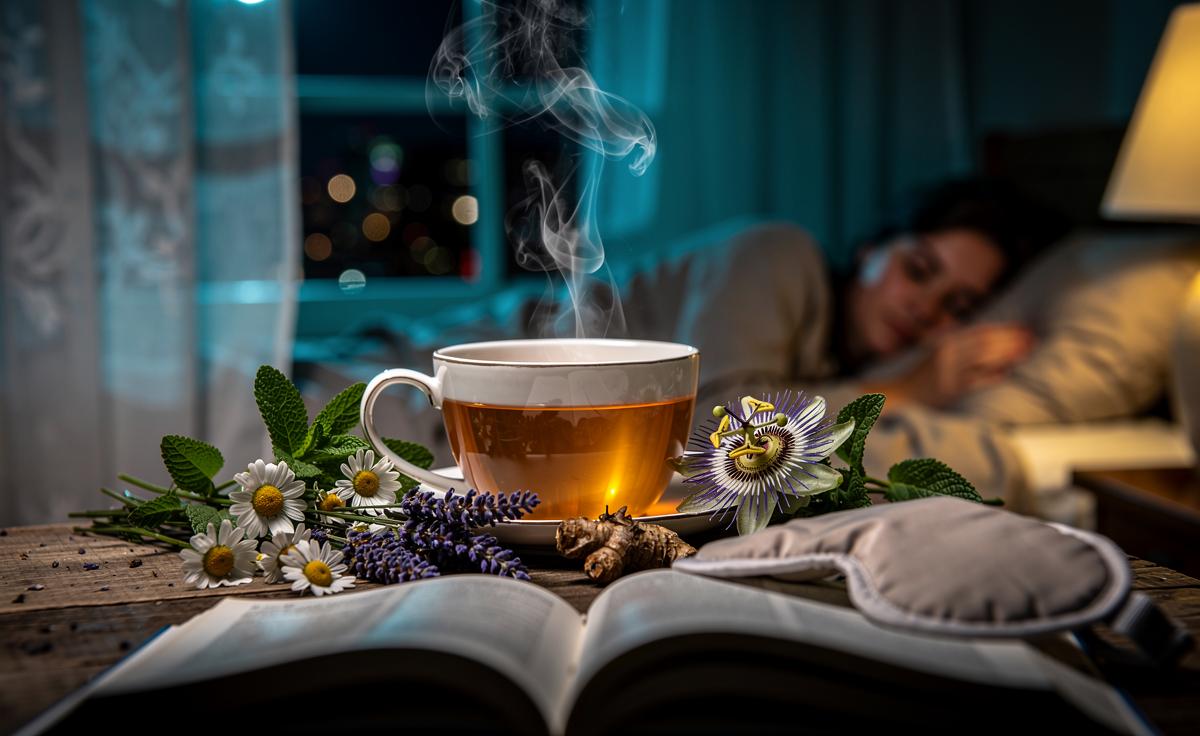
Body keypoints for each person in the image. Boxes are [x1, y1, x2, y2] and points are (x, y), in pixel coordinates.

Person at [624, 178, 1070, 415]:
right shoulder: (778, 252)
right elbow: (714, 425)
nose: (926, 308)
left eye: (959, 306)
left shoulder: (844, 364)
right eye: (917, 270)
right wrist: (909, 389)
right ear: (869, 251)